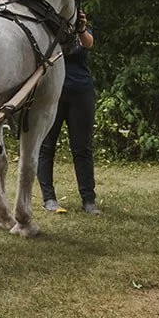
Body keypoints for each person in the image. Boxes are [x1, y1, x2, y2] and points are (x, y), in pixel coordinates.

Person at [39, 11, 99, 214]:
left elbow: (88, 44)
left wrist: (81, 27)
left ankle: (89, 200)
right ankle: (49, 198)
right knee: (46, 147)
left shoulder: (80, 30)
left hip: (81, 93)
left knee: (83, 149)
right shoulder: (47, 29)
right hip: (52, 95)